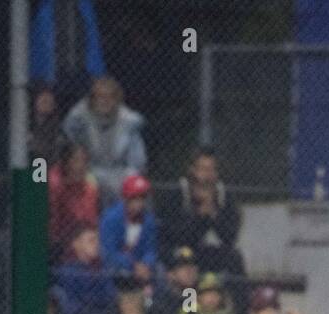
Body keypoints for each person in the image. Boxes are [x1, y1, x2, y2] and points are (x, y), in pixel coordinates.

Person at [160, 148, 244, 278]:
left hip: (203, 252)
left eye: (212, 170)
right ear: (192, 170)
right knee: (186, 261)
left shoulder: (223, 195)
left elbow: (230, 237)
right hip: (178, 250)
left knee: (234, 258)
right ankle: (189, 298)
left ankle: (238, 298)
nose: (207, 176)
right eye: (203, 169)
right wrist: (199, 215)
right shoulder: (178, 193)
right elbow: (174, 235)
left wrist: (214, 214)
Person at [60, 76, 146, 198]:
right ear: (92, 100)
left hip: (121, 179)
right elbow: (70, 147)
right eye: (100, 97)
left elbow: (137, 164)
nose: (105, 101)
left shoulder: (129, 123)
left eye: (110, 97)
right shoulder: (80, 120)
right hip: (89, 174)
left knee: (138, 189)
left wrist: (126, 181)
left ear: (117, 100)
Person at [100, 173, 158, 289]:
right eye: (135, 198)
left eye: (142, 197)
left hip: (142, 268)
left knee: (159, 271)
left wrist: (146, 264)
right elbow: (108, 252)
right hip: (116, 268)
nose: (139, 203)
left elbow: (151, 249)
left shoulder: (148, 220)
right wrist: (132, 265)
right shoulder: (111, 219)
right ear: (125, 198)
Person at [48, 141, 100, 260]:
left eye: (84, 161)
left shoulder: (89, 187)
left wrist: (86, 240)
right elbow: (52, 224)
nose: (81, 165)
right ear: (65, 163)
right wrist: (72, 244)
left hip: (82, 239)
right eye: (76, 160)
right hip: (56, 243)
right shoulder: (53, 184)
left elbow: (91, 222)